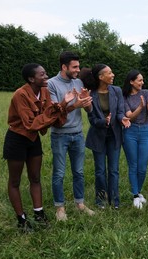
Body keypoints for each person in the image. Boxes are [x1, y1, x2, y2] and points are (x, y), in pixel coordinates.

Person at [3, 63, 74, 232]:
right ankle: (21, 220)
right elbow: (30, 123)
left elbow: (49, 112)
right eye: (42, 74)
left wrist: (63, 105)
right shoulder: (20, 95)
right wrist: (60, 107)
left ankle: (39, 214)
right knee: (15, 181)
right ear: (31, 78)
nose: (46, 76)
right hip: (17, 139)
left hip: (33, 139)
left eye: (46, 74)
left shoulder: (44, 91)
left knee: (35, 178)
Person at [48, 51, 95, 221]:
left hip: (77, 134)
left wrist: (86, 102)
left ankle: (80, 204)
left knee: (79, 172)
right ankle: (60, 208)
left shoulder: (79, 81)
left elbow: (88, 109)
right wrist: (75, 104)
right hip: (60, 135)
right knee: (59, 173)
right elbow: (54, 113)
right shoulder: (51, 84)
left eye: (78, 66)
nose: (78, 69)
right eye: (74, 67)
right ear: (64, 67)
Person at [80, 64, 129, 209]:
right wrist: (104, 121)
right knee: (100, 171)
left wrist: (122, 119)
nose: (113, 75)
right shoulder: (91, 94)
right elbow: (92, 119)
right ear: (101, 77)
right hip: (98, 136)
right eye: (110, 72)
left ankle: (114, 201)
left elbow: (119, 111)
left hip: (114, 136)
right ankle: (100, 200)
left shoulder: (117, 91)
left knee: (113, 170)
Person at [122, 70, 148, 209]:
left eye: (142, 80)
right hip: (130, 131)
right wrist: (140, 107)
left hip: (145, 131)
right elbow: (129, 116)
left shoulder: (146, 93)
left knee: (142, 166)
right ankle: (135, 195)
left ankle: (138, 191)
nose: (142, 82)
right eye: (139, 80)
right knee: (133, 165)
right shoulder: (124, 97)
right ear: (131, 82)